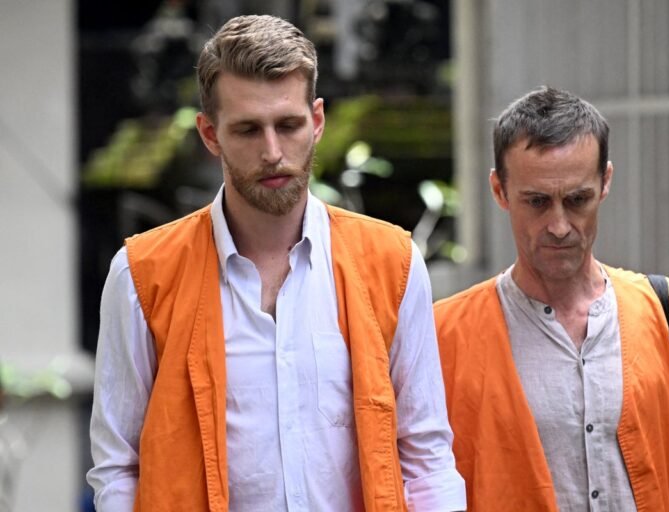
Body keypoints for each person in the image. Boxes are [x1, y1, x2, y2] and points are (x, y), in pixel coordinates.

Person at [86, 14, 466, 512]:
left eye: (288, 125)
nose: (272, 152)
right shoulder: (141, 275)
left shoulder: (391, 262)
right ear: (209, 134)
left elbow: (426, 453)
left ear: (318, 121)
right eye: (247, 129)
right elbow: (118, 466)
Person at [433, 86, 669, 512]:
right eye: (537, 202)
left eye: (577, 200)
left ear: (605, 182)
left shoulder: (668, 310)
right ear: (500, 191)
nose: (559, 225)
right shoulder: (444, 334)